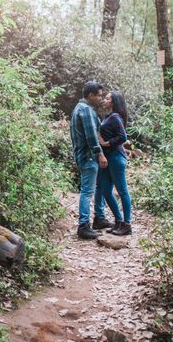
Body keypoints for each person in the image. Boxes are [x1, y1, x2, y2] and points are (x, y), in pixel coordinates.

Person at [70, 81, 112, 239]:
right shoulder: (86, 110)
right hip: (88, 157)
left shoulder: (78, 109)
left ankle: (97, 220)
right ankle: (83, 226)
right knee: (87, 191)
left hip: (84, 155)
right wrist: (100, 153)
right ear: (90, 95)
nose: (101, 98)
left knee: (91, 189)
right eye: (99, 95)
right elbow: (91, 136)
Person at [97, 91, 132, 236]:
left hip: (116, 158)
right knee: (105, 190)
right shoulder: (109, 117)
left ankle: (127, 224)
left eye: (107, 98)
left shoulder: (115, 117)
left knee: (122, 191)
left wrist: (106, 144)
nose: (104, 100)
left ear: (113, 102)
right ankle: (118, 221)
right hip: (108, 158)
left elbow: (122, 136)